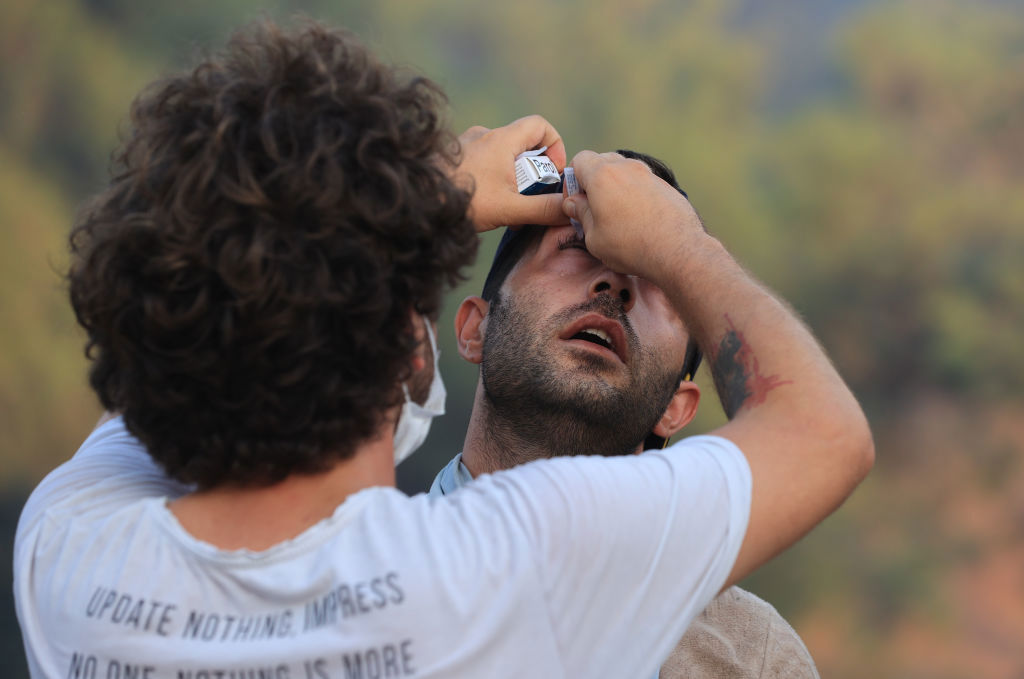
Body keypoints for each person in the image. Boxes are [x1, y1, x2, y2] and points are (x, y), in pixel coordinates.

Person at [14, 20, 873, 679]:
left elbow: (200, 328)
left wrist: (438, 192)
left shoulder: (69, 547)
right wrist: (680, 253)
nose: (614, 281)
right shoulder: (510, 568)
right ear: (428, 346)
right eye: (579, 256)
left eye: (644, 284)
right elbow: (824, 432)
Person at [430, 150, 821, 678]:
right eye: (577, 247)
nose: (615, 285)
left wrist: (684, 249)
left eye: (654, 277)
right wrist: (429, 195)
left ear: (675, 409)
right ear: (476, 329)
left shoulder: (751, 655)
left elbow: (820, 443)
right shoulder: (345, 577)